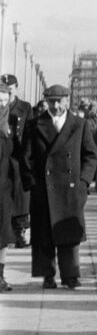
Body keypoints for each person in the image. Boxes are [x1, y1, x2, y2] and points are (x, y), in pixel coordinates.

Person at [19, 85, 97, 289]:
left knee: (69, 235)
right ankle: (47, 275)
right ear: (45, 101)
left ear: (67, 101)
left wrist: (83, 183)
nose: (55, 105)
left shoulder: (79, 125)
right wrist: (33, 185)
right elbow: (26, 158)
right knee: (44, 234)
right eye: (51, 101)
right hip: (43, 189)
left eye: (59, 101)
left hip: (71, 189)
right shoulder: (35, 125)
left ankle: (71, 275)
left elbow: (91, 156)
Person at [1, 74, 33, 248]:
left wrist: (28, 155)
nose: (7, 92)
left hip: (18, 155)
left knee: (21, 195)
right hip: (2, 155)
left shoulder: (25, 107)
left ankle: (20, 230)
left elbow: (30, 131)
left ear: (16, 88)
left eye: (10, 89)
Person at [0, 80, 20, 290]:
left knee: (3, 232)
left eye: (5, 101)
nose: (2, 105)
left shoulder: (12, 121)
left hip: (4, 184)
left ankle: (0, 275)